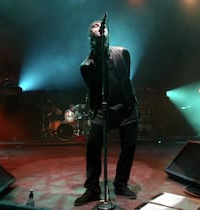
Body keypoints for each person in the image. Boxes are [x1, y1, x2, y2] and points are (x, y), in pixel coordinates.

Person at [74, 19, 139, 206]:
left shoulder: (123, 53)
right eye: (94, 26)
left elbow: (126, 80)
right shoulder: (86, 65)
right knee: (93, 145)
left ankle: (121, 184)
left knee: (129, 146)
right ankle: (92, 189)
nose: (98, 27)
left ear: (108, 33)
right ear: (90, 37)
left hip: (127, 107)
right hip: (104, 109)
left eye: (101, 26)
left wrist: (132, 104)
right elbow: (93, 90)